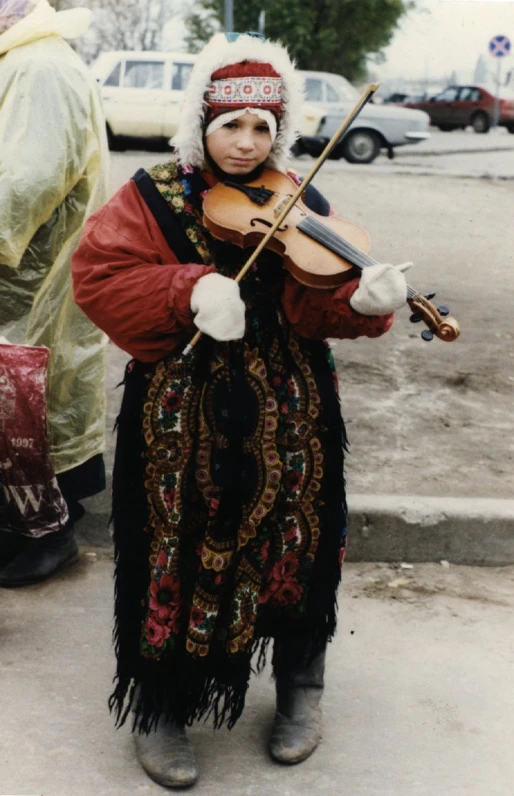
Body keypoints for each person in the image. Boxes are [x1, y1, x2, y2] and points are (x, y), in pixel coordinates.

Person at [72, 32, 412, 789]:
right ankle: (163, 705)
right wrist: (184, 289)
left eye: (264, 127)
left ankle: (301, 687)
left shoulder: (303, 197)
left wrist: (363, 302)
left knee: (300, 543)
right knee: (175, 548)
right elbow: (97, 276)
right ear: (202, 124)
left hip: (292, 411)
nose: (247, 141)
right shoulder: (152, 195)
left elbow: (315, 300)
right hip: (180, 413)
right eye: (231, 124)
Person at [0, 0, 109, 586]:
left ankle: (51, 534)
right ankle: (22, 528)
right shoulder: (24, 58)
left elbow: (25, 182)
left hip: (24, 277)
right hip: (23, 277)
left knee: (23, 403)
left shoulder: (38, 68)